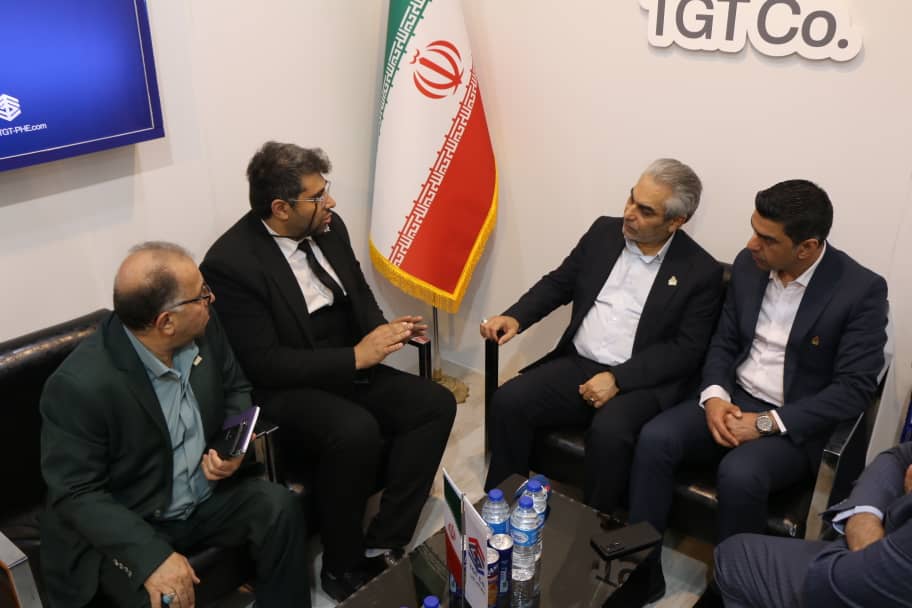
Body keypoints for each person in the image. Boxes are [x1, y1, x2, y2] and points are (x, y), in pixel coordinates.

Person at [610, 179, 890, 607]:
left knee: (740, 473)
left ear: (807, 247)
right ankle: (641, 573)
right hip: (733, 397)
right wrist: (715, 397)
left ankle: (730, 591)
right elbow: (724, 341)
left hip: (793, 421)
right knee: (655, 438)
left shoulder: (860, 290)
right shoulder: (749, 265)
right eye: (754, 230)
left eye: (767, 239)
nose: (751, 244)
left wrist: (763, 424)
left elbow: (854, 390)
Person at [200, 141, 457, 601]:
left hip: (345, 362)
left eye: (326, 190)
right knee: (354, 430)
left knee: (434, 403)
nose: (330, 202)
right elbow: (263, 362)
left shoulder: (329, 228)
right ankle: (341, 566)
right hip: (286, 385)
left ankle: (386, 538)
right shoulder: (230, 264)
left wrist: (385, 331)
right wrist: (356, 357)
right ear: (281, 208)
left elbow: (356, 290)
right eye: (317, 196)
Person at [40, 242, 310, 608]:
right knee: (165, 597)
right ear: (166, 322)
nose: (211, 299)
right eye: (201, 295)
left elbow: (236, 388)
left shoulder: (203, 327)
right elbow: (76, 492)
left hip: (204, 497)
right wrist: (151, 555)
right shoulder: (80, 386)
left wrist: (231, 447)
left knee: (279, 508)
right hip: (139, 516)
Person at [481, 158, 723, 514]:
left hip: (639, 381)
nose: (629, 213)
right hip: (579, 362)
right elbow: (560, 282)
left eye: (645, 211)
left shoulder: (700, 271)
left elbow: (685, 350)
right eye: (631, 199)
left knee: (609, 434)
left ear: (676, 221)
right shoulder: (604, 233)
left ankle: (595, 526)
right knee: (509, 401)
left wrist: (617, 378)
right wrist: (517, 316)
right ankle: (503, 509)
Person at [714, 440, 912, 608]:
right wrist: (864, 516)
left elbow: (839, 584)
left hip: (870, 574)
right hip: (875, 548)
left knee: (734, 558)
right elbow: (900, 456)